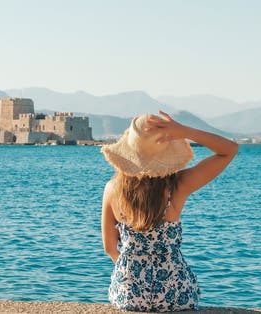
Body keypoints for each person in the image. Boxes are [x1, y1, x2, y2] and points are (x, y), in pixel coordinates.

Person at [101, 111, 239, 312]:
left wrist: (132, 274)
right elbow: (229, 150)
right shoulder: (177, 187)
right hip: (175, 293)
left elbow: (110, 248)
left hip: (129, 294)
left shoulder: (112, 190)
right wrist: (185, 131)